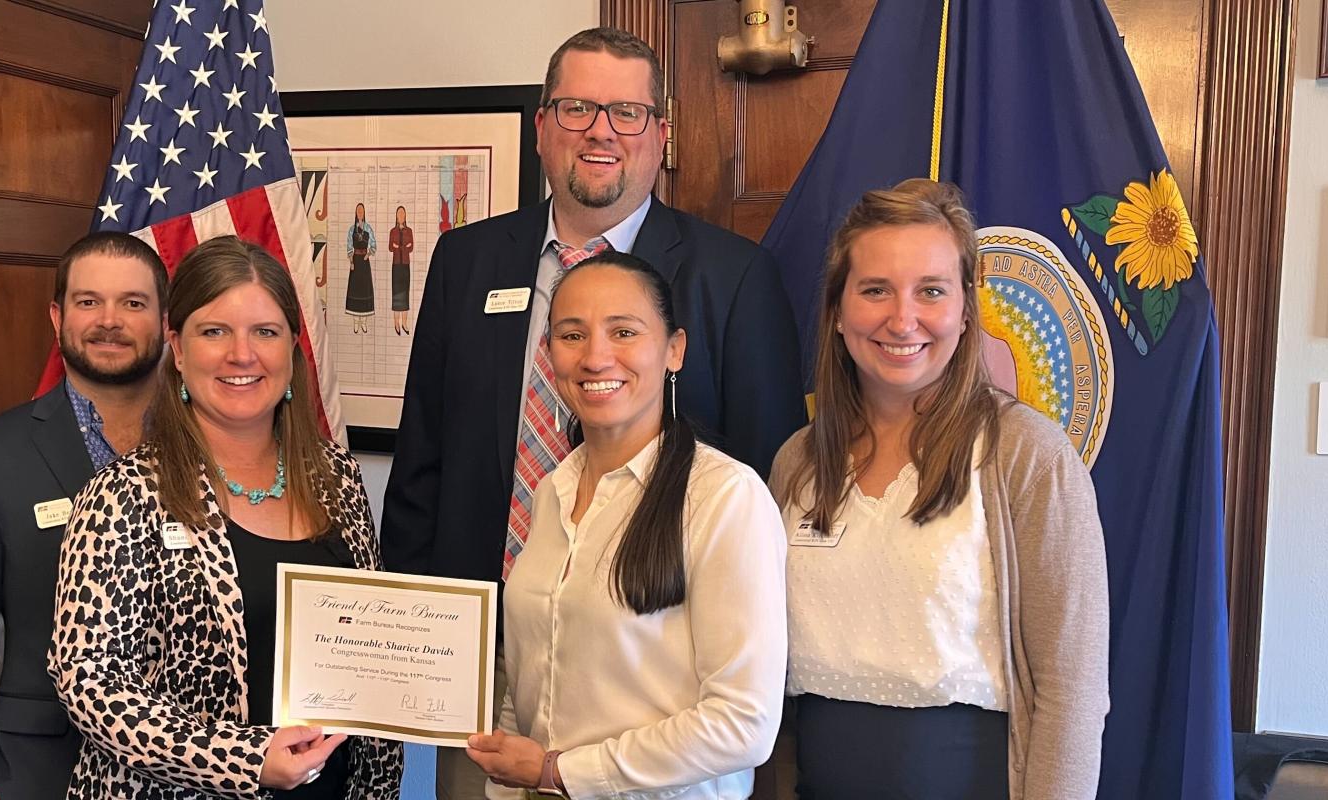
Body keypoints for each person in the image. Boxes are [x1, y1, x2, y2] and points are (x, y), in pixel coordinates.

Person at [381, 28, 804, 797]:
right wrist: (413, 637)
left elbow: (770, 477)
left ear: (661, 134)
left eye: (626, 113)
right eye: (577, 109)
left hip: (649, 688)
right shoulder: (466, 261)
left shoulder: (736, 277)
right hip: (479, 667)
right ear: (542, 126)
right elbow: (422, 463)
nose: (601, 131)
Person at [769, 179, 1109, 799]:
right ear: (838, 312)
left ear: (965, 311)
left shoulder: (1025, 456)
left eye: (931, 291)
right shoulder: (798, 461)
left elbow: (1072, 691)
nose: (903, 320)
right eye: (875, 290)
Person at [48, 236, 403, 799]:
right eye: (214, 331)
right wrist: (246, 760)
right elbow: (91, 683)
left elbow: (373, 648)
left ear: (292, 347)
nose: (242, 354)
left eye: (265, 332)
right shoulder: (123, 494)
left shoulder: (336, 477)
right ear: (178, 348)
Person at [466, 252, 786, 799]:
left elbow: (743, 724)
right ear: (549, 352)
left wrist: (560, 772)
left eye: (623, 332)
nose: (595, 357)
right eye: (572, 335)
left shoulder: (724, 497)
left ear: (674, 349)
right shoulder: (551, 493)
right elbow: (531, 679)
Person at [0, 232, 167, 800]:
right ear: (57, 318)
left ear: (165, 322)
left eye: (133, 302)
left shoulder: (213, 445)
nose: (109, 320)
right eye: (88, 301)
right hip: (41, 771)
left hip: (193, 769)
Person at [345, 203, 376, 334]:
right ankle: (355, 322)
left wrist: (368, 254)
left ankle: (363, 322)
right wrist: (351, 262)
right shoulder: (352, 229)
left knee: (365, 290)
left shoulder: (368, 228)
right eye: (358, 210)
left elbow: (373, 244)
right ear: (355, 212)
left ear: (364, 213)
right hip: (356, 263)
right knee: (355, 290)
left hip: (364, 263)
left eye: (361, 210)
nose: (360, 213)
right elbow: (349, 246)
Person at [388, 205, 413, 335]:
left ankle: (404, 323)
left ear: (405, 216)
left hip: (406, 265)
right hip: (396, 265)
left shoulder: (409, 231)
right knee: (396, 293)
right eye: (399, 213)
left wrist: (398, 247)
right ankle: (396, 323)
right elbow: (390, 247)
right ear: (396, 216)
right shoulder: (393, 231)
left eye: (403, 213)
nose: (401, 215)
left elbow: (411, 247)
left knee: (405, 293)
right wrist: (403, 247)